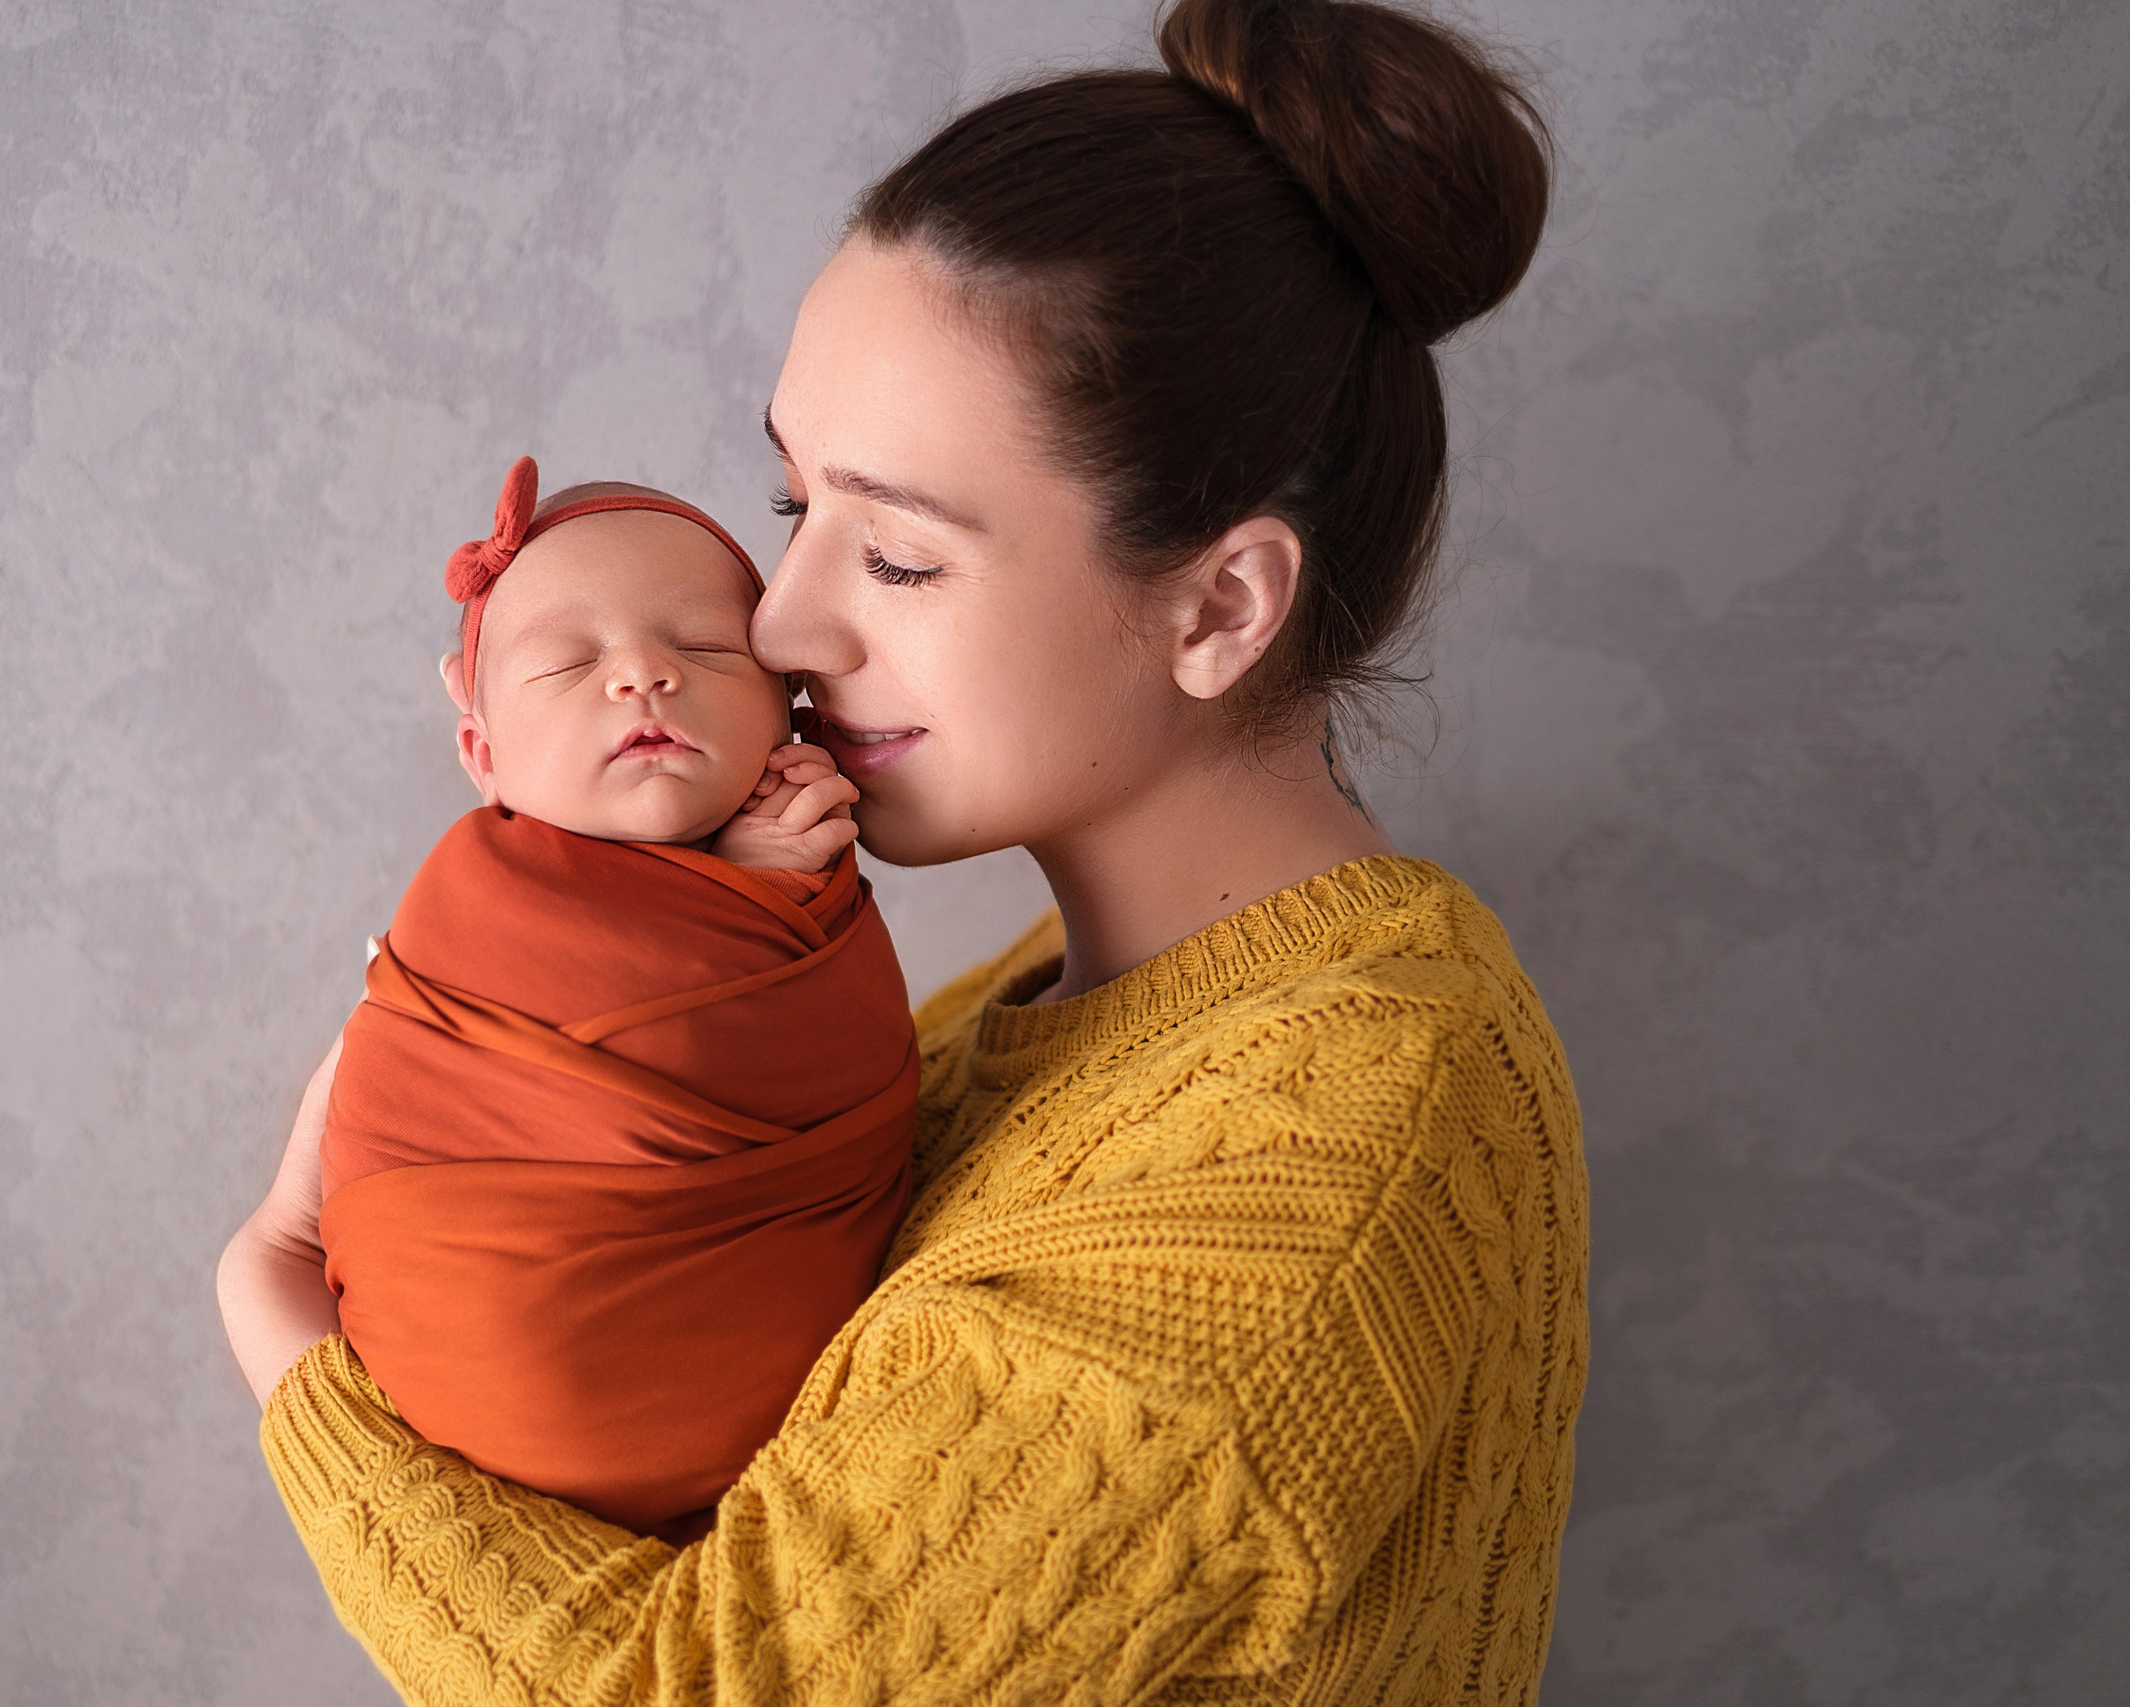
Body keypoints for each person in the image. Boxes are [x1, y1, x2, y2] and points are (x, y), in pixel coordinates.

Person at [217, 0, 1589, 1699]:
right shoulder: (1058, 996)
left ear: (1219, 605)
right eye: (799, 510)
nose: (781, 624)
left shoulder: (1326, 1144)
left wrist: (281, 1316)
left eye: (904, 557)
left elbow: (692, 1682)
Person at [317, 457, 917, 1544]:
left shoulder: (810, 883)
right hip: (470, 1363)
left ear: (790, 714)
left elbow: (797, 1046)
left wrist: (774, 895)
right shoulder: (474, 904)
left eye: (702, 647)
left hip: (755, 1410)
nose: (643, 674)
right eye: (566, 662)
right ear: (481, 753)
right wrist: (744, 897)